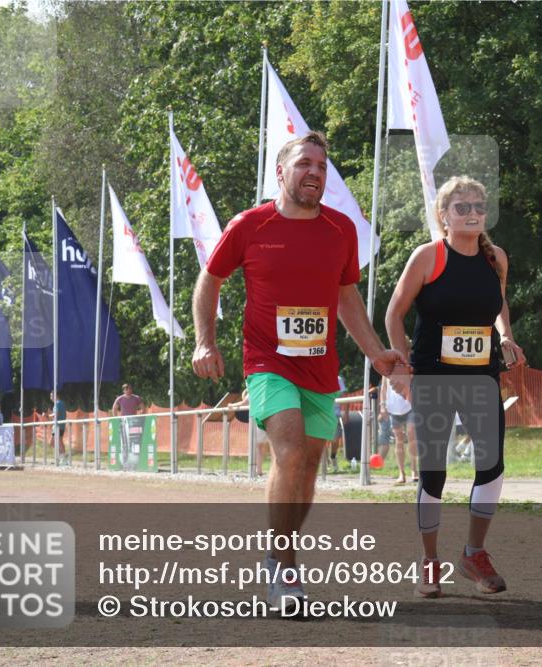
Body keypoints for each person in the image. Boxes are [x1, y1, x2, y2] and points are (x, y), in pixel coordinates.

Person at [190, 131, 407, 612]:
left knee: (310, 464)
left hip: (319, 367)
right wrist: (205, 340)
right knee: (288, 451)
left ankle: (278, 549)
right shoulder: (250, 225)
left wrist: (375, 353)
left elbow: (346, 296)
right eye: (305, 163)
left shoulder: (340, 230)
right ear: (281, 172)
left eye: (322, 166)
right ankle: (284, 567)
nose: (315, 172)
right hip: (267, 361)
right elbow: (210, 279)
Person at [385, 176, 526, 598]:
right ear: (443, 215)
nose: (471, 214)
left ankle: (474, 554)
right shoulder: (428, 257)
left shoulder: (496, 258)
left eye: (478, 207)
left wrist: (505, 335)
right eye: (461, 207)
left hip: (481, 376)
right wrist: (403, 369)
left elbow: (498, 301)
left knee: (493, 465)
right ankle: (429, 561)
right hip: (433, 376)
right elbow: (394, 315)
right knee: (434, 472)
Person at [380, 375, 418, 484]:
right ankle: (401, 473)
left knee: (412, 435)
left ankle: (414, 470)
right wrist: (382, 406)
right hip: (393, 408)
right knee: (399, 439)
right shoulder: (386, 366)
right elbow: (383, 387)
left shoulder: (406, 362)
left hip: (409, 405)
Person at [112, 383, 147, 470]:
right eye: (127, 389)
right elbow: (114, 408)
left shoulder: (136, 398)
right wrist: (116, 418)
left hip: (134, 421)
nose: (129, 391)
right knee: (124, 441)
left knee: (134, 441)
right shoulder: (120, 398)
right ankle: (124, 462)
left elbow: (143, 407)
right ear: (123, 390)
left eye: (130, 389)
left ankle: (135, 462)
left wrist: (141, 414)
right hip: (124, 422)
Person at [327, 374, 347, 473]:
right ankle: (325, 463)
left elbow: (344, 396)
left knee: (335, 440)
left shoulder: (338, 379)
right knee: (321, 440)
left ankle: (333, 457)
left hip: (335, 414)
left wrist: (346, 413)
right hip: (322, 413)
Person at [49, 391, 68, 465]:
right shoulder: (60, 403)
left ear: (55, 395)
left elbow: (56, 414)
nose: (50, 397)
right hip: (60, 425)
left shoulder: (58, 404)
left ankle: (63, 458)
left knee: (54, 442)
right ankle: (62, 458)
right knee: (58, 442)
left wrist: (48, 415)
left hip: (58, 426)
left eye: (51, 396)